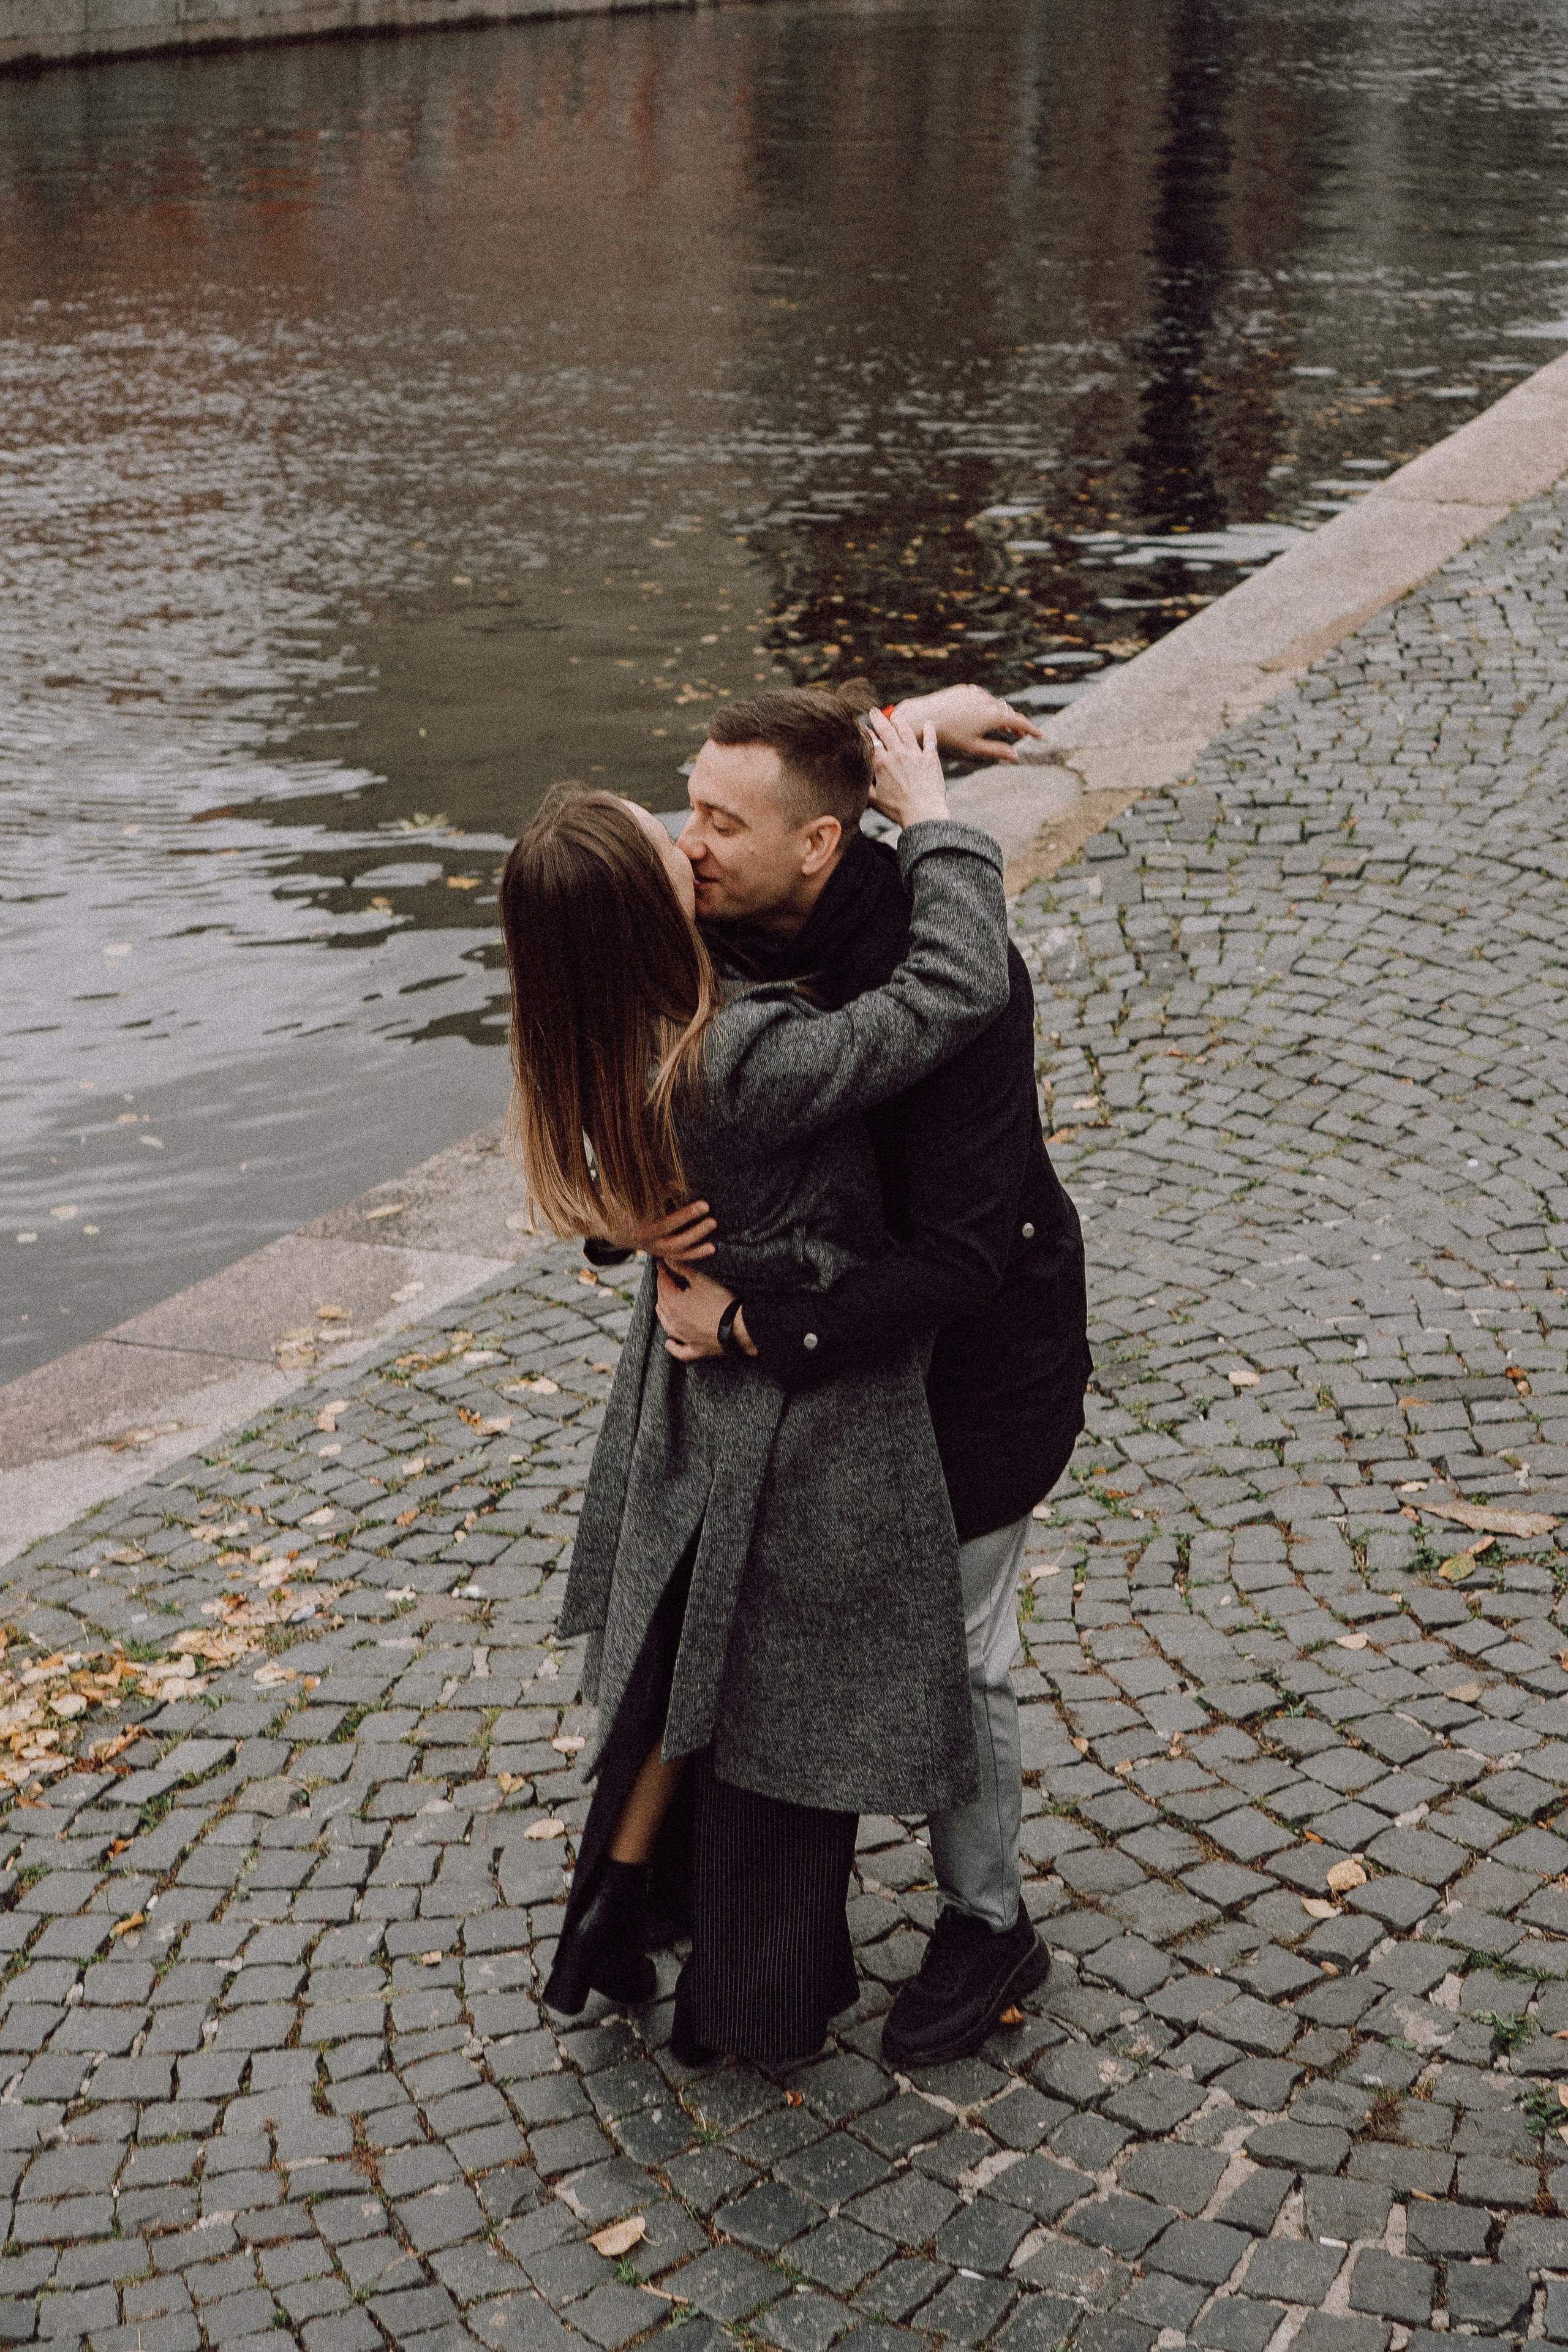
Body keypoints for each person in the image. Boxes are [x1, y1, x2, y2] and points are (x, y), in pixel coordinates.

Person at [497, 708, 1012, 2067]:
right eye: (672, 837)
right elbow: (948, 995)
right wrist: (943, 831)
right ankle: (762, 1997)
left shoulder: (604, 1022)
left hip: (686, 1397)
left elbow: (785, 773)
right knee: (767, 1687)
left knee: (677, 1655)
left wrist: (917, 724)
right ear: (646, 915)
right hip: (785, 1388)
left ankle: (617, 1905)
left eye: (705, 823)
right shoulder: (730, 1050)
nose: (692, 842)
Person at [649, 680, 1092, 2067]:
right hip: (815, 1357)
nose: (690, 841)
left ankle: (988, 1917)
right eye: (688, 807)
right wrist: (624, 1216)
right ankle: (756, 1902)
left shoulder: (957, 966)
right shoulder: (715, 924)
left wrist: (749, 1336)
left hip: (975, 1357)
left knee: (957, 1652)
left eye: (721, 823)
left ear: (820, 848)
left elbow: (960, 1260)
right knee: (778, 1620)